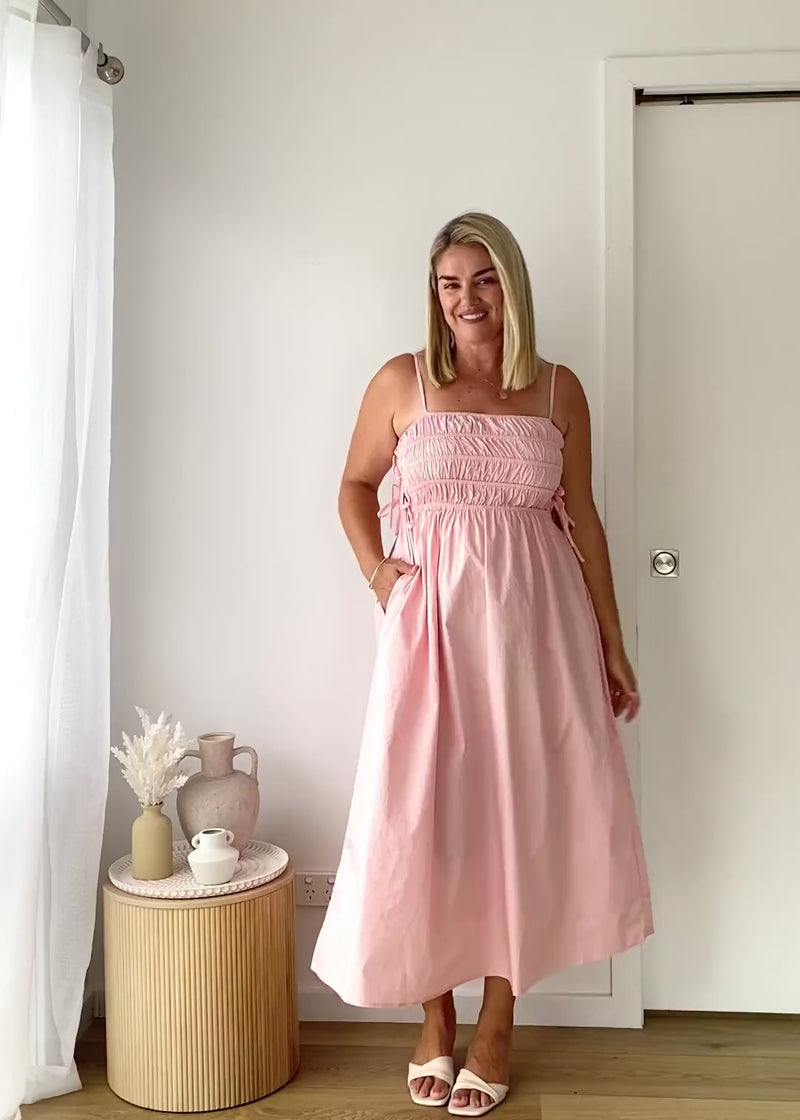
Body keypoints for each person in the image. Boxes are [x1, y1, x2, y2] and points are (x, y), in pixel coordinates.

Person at [311, 212, 654, 1117]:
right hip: (428, 634)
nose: (466, 299)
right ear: (434, 294)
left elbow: (583, 520)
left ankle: (499, 1018)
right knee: (420, 815)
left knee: (518, 818)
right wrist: (378, 572)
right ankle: (436, 1012)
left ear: (513, 285)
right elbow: (353, 486)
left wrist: (613, 641)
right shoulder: (402, 382)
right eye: (450, 283)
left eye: (485, 279)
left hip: (536, 638)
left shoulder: (559, 391)